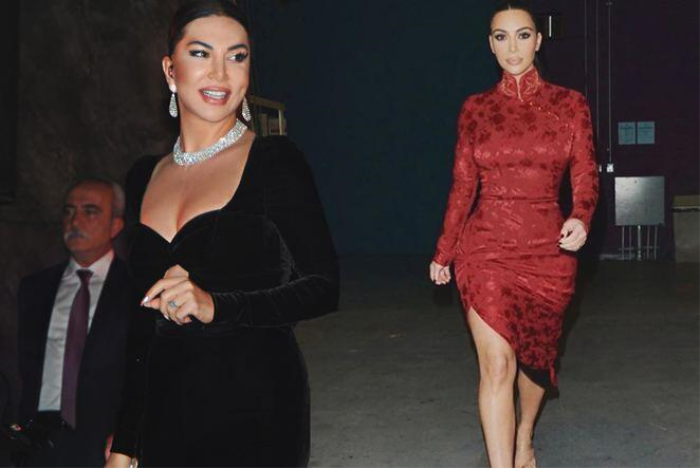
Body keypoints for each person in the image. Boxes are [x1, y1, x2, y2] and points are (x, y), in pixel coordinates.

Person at [105, 1, 339, 467]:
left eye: (237, 56)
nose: (220, 73)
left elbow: (323, 288)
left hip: (256, 406)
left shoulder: (275, 162)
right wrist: (126, 444)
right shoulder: (142, 176)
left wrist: (217, 305)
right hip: (165, 416)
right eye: (200, 53)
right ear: (170, 70)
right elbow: (140, 326)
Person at [429, 2, 599, 467]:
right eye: (501, 37)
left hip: (549, 253)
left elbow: (585, 172)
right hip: (485, 249)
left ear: (538, 40)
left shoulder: (570, 105)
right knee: (497, 364)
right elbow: (463, 185)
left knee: (536, 365)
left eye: (523, 35)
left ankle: (524, 435)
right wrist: (444, 251)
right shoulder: (475, 109)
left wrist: (581, 216)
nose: (512, 47)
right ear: (490, 44)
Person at [15, 178, 135, 468]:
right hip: (37, 442)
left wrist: (129, 437)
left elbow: (149, 370)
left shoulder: (135, 287)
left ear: (115, 225)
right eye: (68, 211)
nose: (75, 220)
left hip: (104, 444)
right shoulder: (35, 287)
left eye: (90, 211)